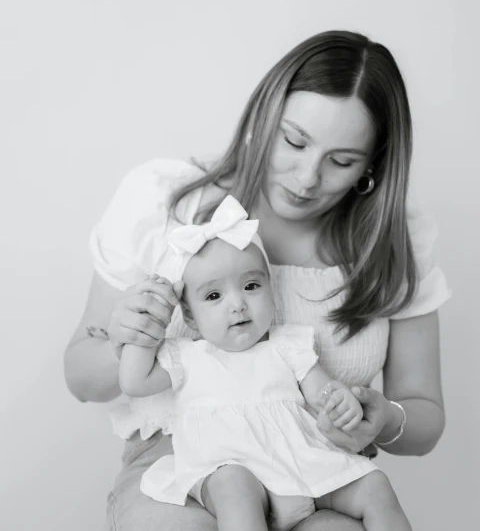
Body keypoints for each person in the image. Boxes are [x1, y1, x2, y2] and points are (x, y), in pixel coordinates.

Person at [64, 30, 450, 531]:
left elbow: (423, 414)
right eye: (294, 140)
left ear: (372, 165)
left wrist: (386, 417)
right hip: (185, 465)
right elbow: (81, 378)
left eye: (341, 161)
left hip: (314, 467)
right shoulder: (166, 200)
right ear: (262, 117)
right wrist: (126, 339)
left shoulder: (393, 238)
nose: (307, 177)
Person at [118, 195, 412, 531]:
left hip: (302, 470)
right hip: (234, 475)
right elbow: (133, 382)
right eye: (214, 296)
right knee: (233, 483)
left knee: (375, 484)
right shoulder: (190, 357)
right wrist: (148, 321)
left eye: (251, 286)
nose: (238, 304)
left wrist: (341, 403)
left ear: (272, 290)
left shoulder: (288, 346)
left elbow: (323, 393)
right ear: (189, 316)